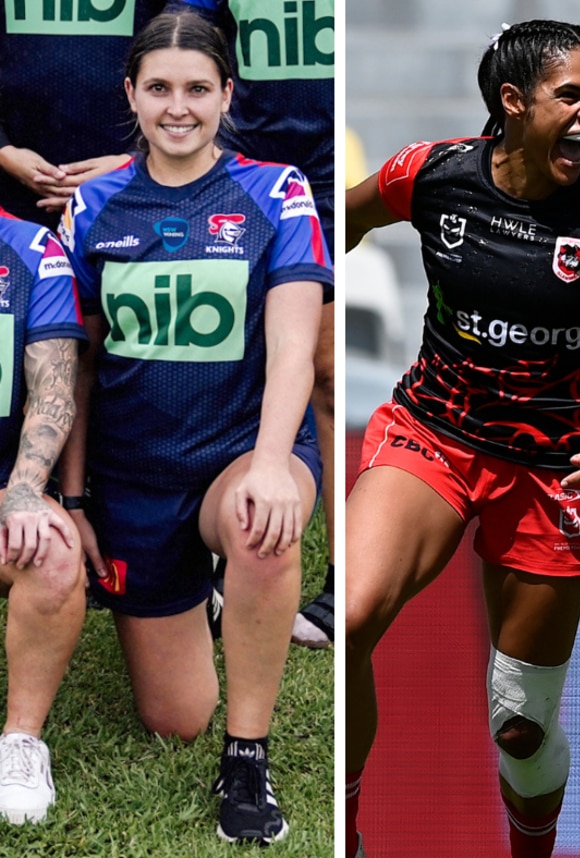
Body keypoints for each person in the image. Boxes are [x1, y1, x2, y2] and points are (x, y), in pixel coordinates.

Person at [345, 19, 580, 858]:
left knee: (520, 723)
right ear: (512, 101)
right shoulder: (430, 176)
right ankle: (341, 834)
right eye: (571, 94)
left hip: (553, 476)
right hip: (434, 435)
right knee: (348, 616)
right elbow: (332, 223)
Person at [56, 11, 332, 845]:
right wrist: (74, 498)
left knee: (260, 524)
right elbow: (77, 365)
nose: (180, 107)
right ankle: (206, 602)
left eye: (198, 89)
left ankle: (247, 757)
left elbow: (292, 349)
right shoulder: (92, 208)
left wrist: (272, 465)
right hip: (133, 474)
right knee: (175, 717)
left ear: (226, 95)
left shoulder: (275, 192)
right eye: (161, 89)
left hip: (239, 452)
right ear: (131, 96)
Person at [163, 0, 336, 649]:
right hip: (241, 171)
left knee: (324, 370)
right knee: (221, 352)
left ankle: (338, 580)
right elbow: (189, 31)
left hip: (327, 175)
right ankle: (203, 566)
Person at [0, 206, 87, 824]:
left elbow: (54, 384)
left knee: (52, 551)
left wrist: (26, 489)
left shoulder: (31, 250)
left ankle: (21, 743)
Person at [0, 1, 168, 229]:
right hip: (13, 197)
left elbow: (186, 48)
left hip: (133, 193)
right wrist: (5, 153)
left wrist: (134, 160)